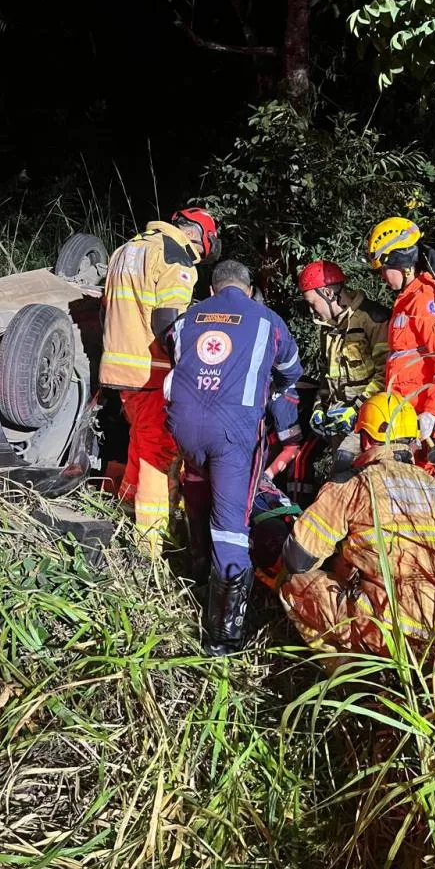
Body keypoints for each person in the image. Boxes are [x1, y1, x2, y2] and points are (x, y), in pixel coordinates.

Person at [165, 259, 302, 655]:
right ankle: (223, 636)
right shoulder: (267, 320)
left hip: (185, 428)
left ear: (211, 290)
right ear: (248, 290)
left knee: (196, 487)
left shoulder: (188, 318)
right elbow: (292, 372)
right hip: (232, 434)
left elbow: (175, 359)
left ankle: (195, 575)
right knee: (231, 526)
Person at [278, 392, 435, 662]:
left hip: (392, 634)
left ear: (366, 439)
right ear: (411, 441)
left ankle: (350, 677)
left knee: (294, 584)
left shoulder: (354, 485)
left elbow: (297, 558)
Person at [100, 207, 220, 557]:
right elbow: (170, 320)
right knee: (158, 456)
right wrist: (191, 368)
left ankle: (124, 512)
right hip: (153, 369)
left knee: (140, 444)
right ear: (200, 237)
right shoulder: (175, 256)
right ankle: (151, 546)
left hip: (123, 369)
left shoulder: (128, 248)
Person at [366, 217, 435, 474]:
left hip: (421, 425)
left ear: (401, 263)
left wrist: (432, 414)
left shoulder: (428, 300)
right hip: (401, 421)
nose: (382, 277)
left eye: (384, 269)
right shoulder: (405, 301)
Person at [297, 260, 389, 474]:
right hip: (338, 425)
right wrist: (319, 407)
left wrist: (356, 408)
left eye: (313, 304)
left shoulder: (373, 319)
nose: (312, 312)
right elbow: (326, 374)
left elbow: (386, 375)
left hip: (370, 427)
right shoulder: (327, 328)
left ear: (328, 293)